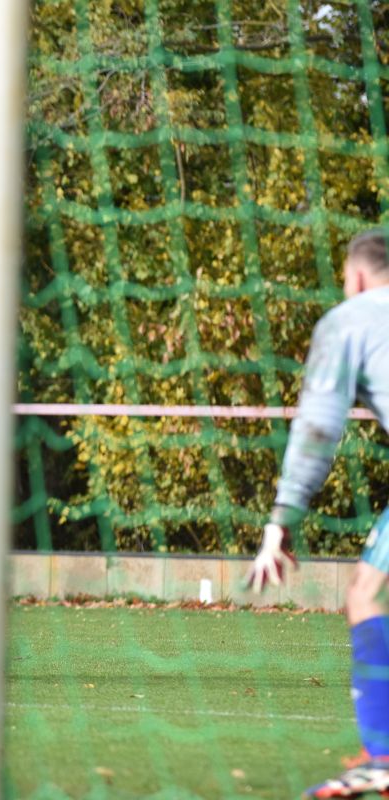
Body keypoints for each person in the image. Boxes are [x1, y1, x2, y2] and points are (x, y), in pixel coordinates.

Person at [246, 230, 389, 798]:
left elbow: (318, 429)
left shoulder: (349, 320)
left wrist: (280, 520)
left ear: (356, 276)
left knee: (364, 595)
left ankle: (382, 757)